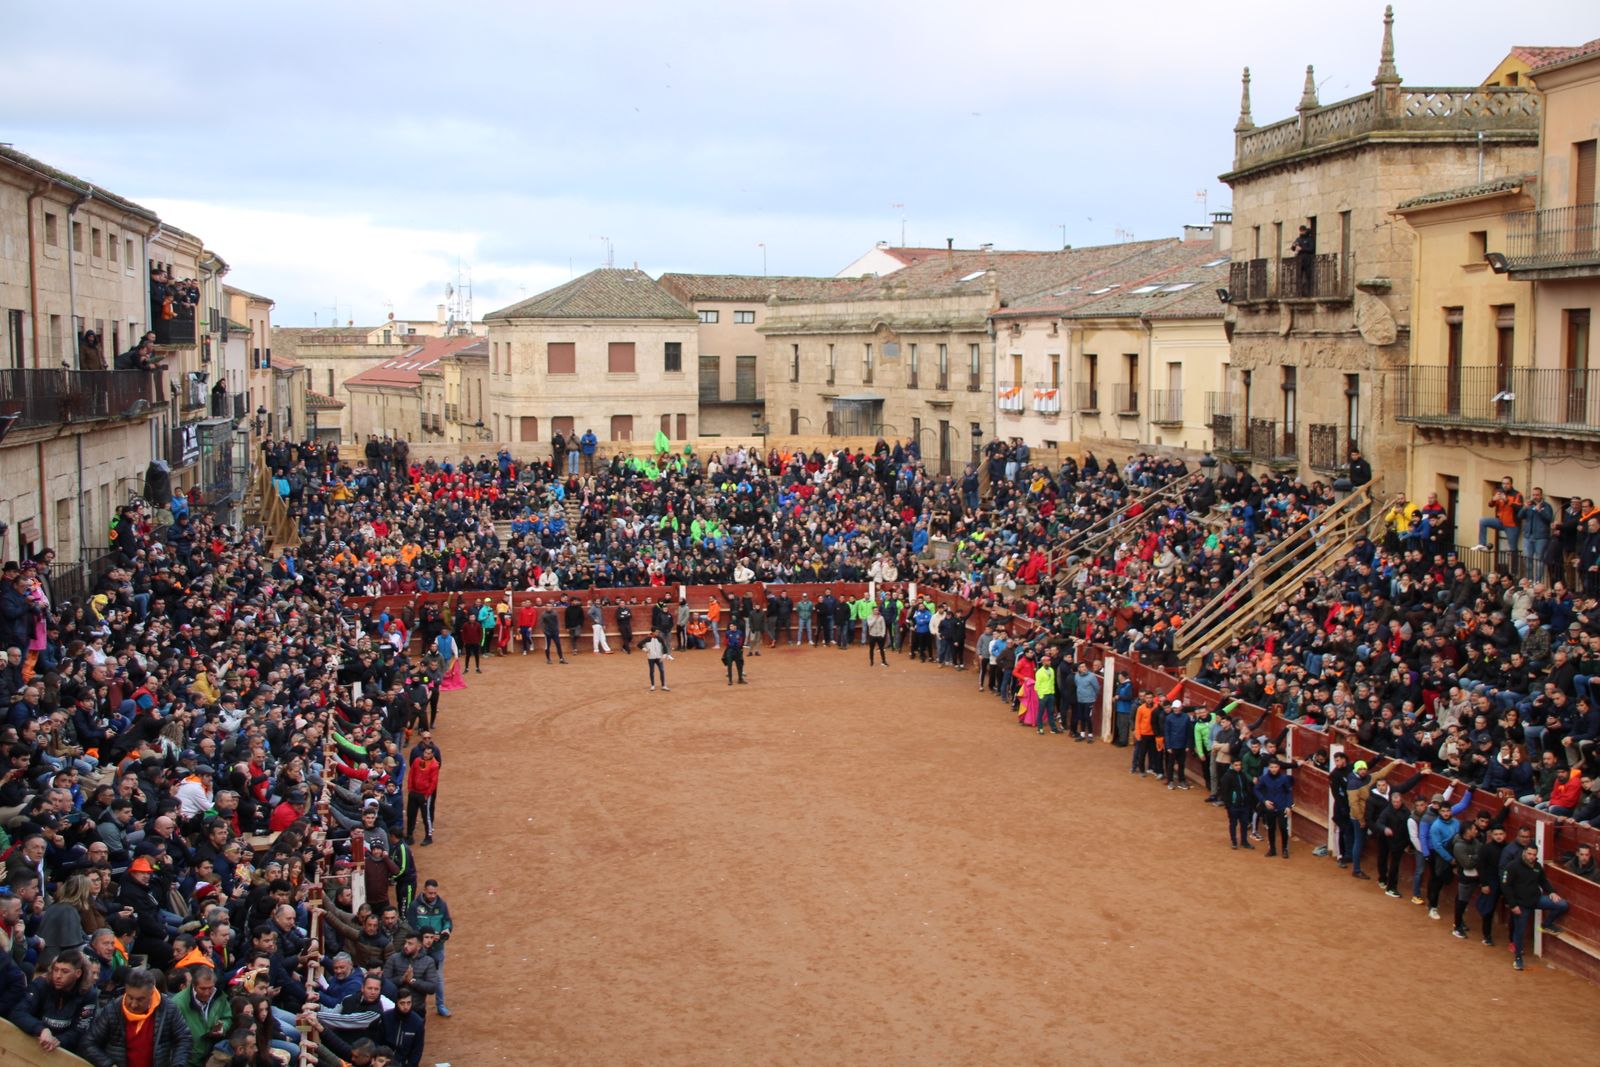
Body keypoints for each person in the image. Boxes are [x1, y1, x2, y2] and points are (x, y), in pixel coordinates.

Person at [81, 966, 192, 1067]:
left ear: (151, 993)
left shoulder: (168, 1009)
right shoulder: (113, 1010)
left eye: (140, 999)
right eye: (130, 997)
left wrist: (178, 1064)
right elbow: (88, 1043)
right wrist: (108, 1064)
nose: (133, 1004)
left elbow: (184, 1038)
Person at [1501, 843, 1570, 971]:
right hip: (1521, 905)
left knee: (1562, 905)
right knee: (1520, 932)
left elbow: (1543, 881)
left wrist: (1551, 892)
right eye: (1529, 854)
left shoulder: (1537, 866)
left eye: (1534, 854)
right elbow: (1506, 887)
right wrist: (1513, 905)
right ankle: (1518, 958)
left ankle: (1546, 924)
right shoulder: (1513, 866)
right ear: (1524, 853)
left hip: (1536, 900)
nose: (1532, 857)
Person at [1255, 759, 1294, 859]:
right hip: (1270, 807)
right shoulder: (1264, 778)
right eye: (1272, 767)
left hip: (1282, 807)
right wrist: (1264, 801)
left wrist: (1289, 806)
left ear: (1279, 767)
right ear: (1269, 767)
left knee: (1283, 828)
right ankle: (1272, 849)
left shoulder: (1284, 778)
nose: (1274, 769)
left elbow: (1289, 792)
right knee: (1271, 828)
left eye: (1276, 767)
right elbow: (1256, 789)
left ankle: (1285, 849)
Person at [406, 744, 440, 846]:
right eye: (425, 752)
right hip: (414, 792)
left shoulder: (434, 765)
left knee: (426, 816)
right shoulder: (417, 761)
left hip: (424, 794)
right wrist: (410, 788)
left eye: (429, 753)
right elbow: (411, 774)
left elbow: (433, 782)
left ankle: (428, 836)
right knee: (411, 814)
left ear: (432, 754)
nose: (426, 755)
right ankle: (409, 835)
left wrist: (427, 794)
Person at [1219, 755, 1254, 850]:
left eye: (1239, 765)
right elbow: (1224, 792)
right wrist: (1228, 805)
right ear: (1232, 765)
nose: (1238, 767)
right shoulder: (1227, 777)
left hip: (1244, 804)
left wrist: (1248, 800)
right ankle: (1234, 841)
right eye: (1236, 765)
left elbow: (1246, 789)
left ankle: (1244, 841)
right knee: (1233, 824)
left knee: (1244, 824)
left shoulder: (1242, 775)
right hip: (1233, 806)